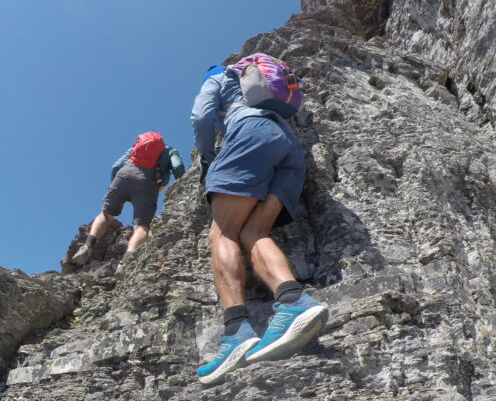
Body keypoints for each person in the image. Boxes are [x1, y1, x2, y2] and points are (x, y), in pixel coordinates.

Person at [192, 60, 329, 384]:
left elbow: (201, 116)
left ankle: (236, 330)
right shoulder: (257, 81)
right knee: (254, 231)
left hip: (249, 135)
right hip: (287, 148)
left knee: (223, 233)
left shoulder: (218, 75)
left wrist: (207, 159)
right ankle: (294, 301)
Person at [71, 131, 185, 270]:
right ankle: (124, 263)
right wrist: (182, 184)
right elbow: (178, 167)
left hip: (124, 175)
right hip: (147, 182)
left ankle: (87, 245)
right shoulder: (169, 150)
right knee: (141, 226)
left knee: (106, 215)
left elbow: (116, 165)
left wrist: (116, 186)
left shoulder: (135, 147)